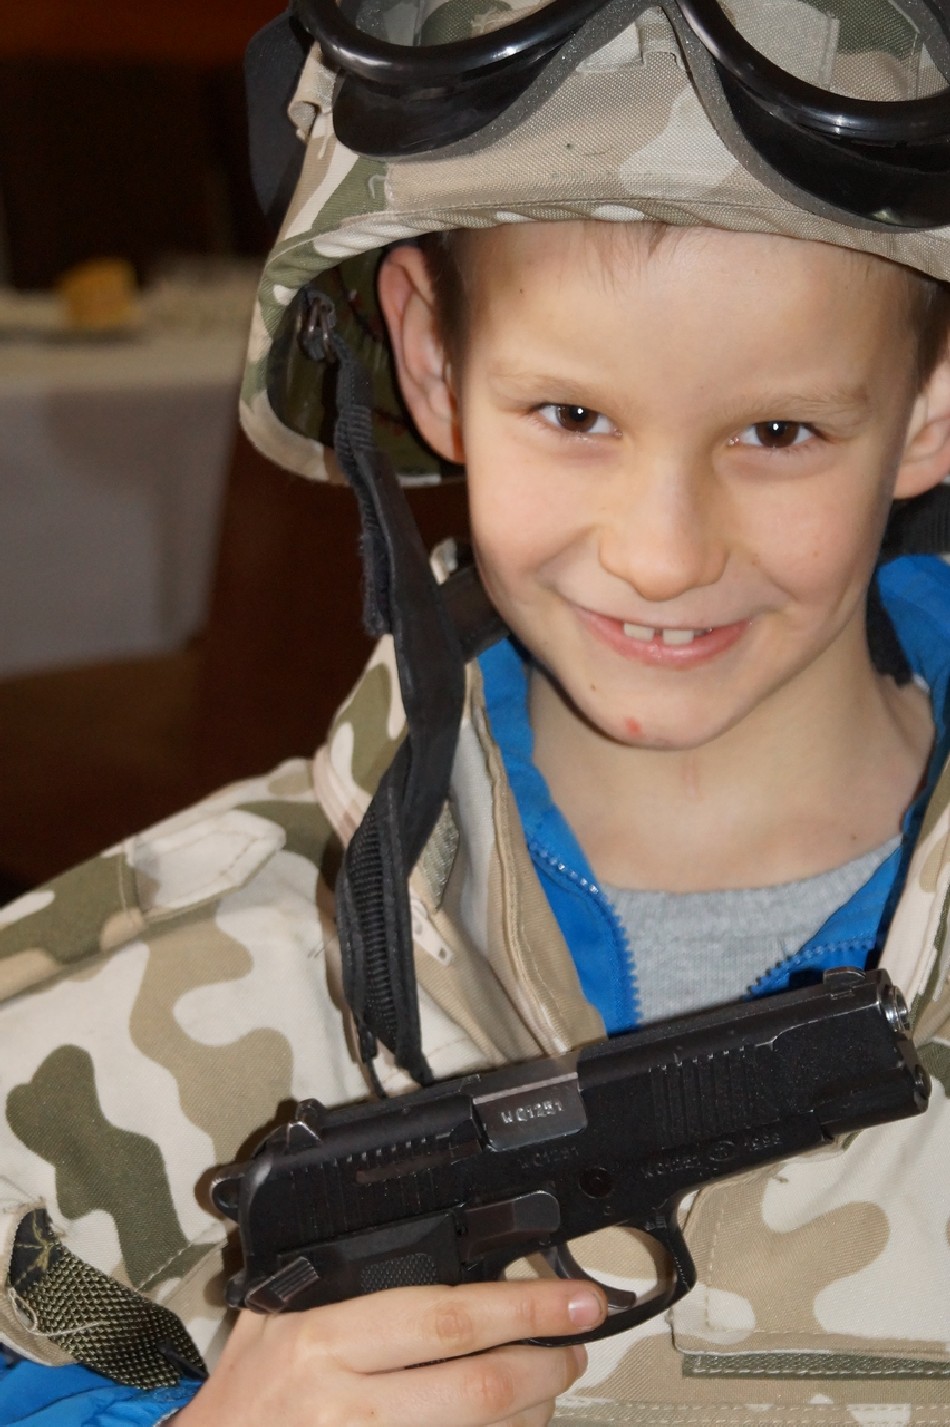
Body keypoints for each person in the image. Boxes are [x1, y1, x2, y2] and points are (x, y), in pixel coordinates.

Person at [3, 0, 950, 1421]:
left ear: (931, 409)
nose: (662, 553)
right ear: (432, 363)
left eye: (777, 431)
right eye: (572, 416)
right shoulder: (120, 1020)